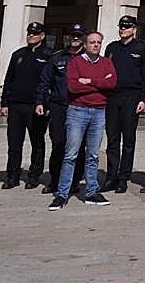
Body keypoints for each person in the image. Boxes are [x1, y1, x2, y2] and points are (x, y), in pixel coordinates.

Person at [48, 31, 116, 210]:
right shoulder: (75, 62)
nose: (95, 45)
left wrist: (89, 81)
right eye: (92, 42)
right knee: (71, 155)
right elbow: (73, 86)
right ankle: (62, 194)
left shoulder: (106, 62)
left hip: (99, 112)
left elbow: (112, 83)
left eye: (99, 43)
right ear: (85, 45)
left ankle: (92, 191)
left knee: (93, 155)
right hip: (77, 111)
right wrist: (99, 83)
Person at [0, 21, 52, 190]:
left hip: (35, 106)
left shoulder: (48, 55)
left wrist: (46, 104)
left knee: (37, 142)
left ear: (42, 36)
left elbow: (51, 83)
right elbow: (9, 80)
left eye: (35, 33)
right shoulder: (18, 55)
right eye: (30, 33)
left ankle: (34, 175)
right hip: (16, 105)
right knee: (14, 143)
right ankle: (12, 176)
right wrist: (5, 103)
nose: (31, 36)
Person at [35, 24, 86, 195]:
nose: (75, 38)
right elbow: (44, 81)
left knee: (77, 146)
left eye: (79, 36)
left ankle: (74, 182)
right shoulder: (57, 57)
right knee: (58, 144)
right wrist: (40, 102)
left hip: (79, 107)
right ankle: (55, 180)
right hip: (58, 107)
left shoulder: (89, 58)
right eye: (73, 35)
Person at [102, 14, 145, 194]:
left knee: (128, 140)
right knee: (112, 139)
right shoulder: (111, 48)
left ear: (134, 29)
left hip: (132, 97)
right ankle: (111, 177)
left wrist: (143, 99)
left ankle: (123, 177)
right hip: (113, 97)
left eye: (127, 27)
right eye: (121, 27)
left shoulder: (142, 48)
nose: (123, 30)